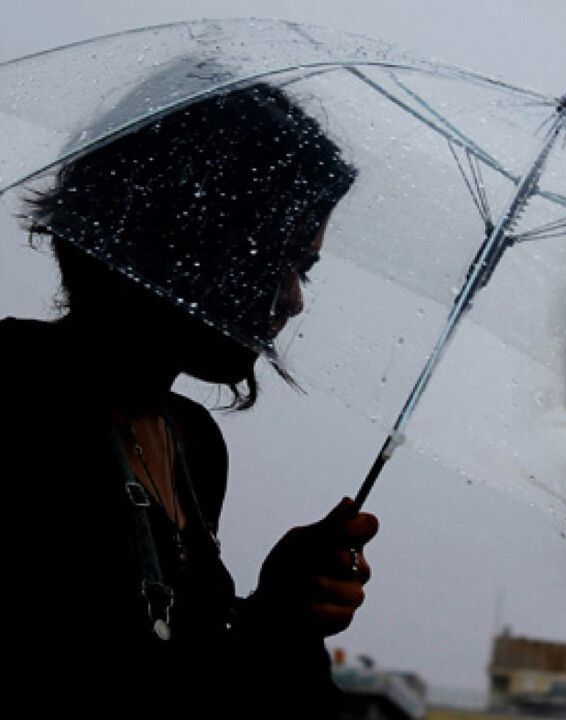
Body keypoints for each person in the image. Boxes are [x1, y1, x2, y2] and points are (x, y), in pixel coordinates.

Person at [1, 80, 374, 718]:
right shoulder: (18, 396)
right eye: (277, 258)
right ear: (189, 232)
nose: (293, 299)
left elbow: (193, 678)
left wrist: (282, 614)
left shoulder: (193, 444)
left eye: (304, 268)